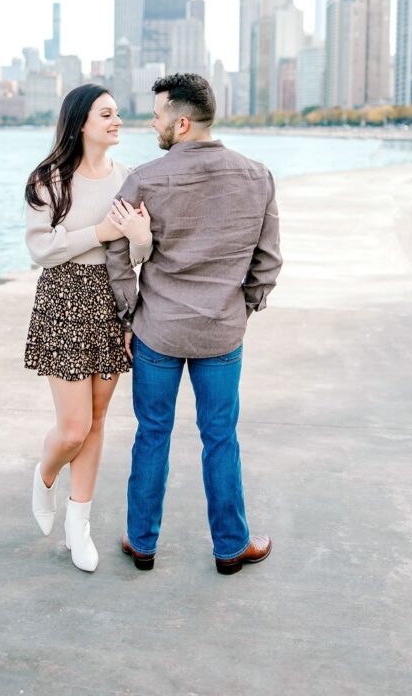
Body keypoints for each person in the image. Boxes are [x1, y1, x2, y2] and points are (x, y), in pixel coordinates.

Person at [105, 73, 282, 575]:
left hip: (157, 330)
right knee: (220, 436)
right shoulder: (257, 175)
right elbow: (267, 264)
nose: (152, 123)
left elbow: (118, 255)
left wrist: (130, 312)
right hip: (221, 332)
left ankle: (142, 543)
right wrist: (239, 308)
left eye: (158, 115)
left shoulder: (144, 178)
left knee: (152, 434)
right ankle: (231, 548)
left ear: (181, 122)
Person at [24, 83, 152, 573]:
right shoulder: (49, 179)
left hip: (113, 300)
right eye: (106, 114)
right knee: (73, 426)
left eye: (117, 113)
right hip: (63, 301)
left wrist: (140, 238)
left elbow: (142, 253)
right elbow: (42, 249)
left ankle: (79, 527)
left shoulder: (131, 178)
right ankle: (45, 473)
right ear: (81, 123)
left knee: (98, 421)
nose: (117, 121)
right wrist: (100, 232)